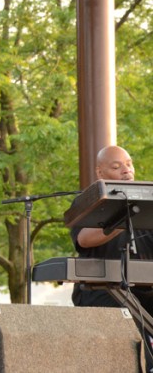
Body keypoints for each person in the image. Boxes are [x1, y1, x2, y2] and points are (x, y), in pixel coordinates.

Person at [71, 145, 153, 367]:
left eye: (129, 164)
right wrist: (127, 217)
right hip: (102, 289)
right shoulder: (88, 201)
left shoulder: (148, 203)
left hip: (145, 288)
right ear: (100, 173)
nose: (126, 170)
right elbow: (84, 239)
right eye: (117, 167)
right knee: (123, 340)